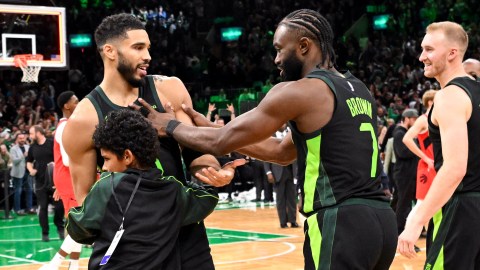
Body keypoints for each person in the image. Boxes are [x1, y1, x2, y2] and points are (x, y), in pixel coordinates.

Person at [135, 9, 397, 269]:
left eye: (280, 49)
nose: (276, 59)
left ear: (304, 46)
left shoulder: (300, 91)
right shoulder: (358, 89)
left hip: (341, 221)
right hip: (382, 221)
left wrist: (169, 125)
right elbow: (282, 152)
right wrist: (211, 126)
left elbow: (220, 143)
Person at [62, 13, 242, 269]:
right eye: (138, 47)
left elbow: (197, 151)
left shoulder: (170, 88)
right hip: (132, 248)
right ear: (110, 51)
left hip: (187, 238)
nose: (147, 55)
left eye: (148, 48)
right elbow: (86, 197)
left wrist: (210, 174)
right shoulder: (84, 120)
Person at [67, 109, 218, 269]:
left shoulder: (108, 186)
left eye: (106, 159)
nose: (104, 167)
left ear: (127, 156)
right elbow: (208, 197)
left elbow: (78, 229)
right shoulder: (172, 191)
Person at [398, 22, 480, 269]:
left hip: (461, 210)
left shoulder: (448, 96)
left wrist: (415, 222)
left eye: (429, 49)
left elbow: (455, 168)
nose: (422, 56)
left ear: (452, 53)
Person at [39, 91, 81, 270]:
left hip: (69, 178)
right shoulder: (64, 127)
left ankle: (74, 264)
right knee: (81, 222)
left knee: (78, 222)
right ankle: (54, 264)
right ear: (67, 106)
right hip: (70, 176)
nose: (79, 103)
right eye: (76, 101)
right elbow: (66, 160)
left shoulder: (70, 125)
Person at [26, 125, 64, 242]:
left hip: (54, 182)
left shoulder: (52, 144)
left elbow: (60, 159)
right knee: (42, 208)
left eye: (31, 133)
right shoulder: (32, 147)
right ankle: (45, 232)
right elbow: (28, 161)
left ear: (38, 133)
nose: (30, 136)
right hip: (40, 182)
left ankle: (60, 228)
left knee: (59, 207)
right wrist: (31, 170)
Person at [402, 90, 436, 206]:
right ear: (431, 102)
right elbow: (406, 138)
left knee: (436, 206)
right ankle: (412, 225)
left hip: (438, 166)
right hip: (428, 166)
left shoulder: (438, 120)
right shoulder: (423, 119)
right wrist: (425, 158)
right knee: (422, 205)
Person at [264, 125, 298, 228]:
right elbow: (266, 155)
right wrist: (268, 172)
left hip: (291, 172)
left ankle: (293, 221)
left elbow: (297, 154)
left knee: (292, 198)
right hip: (277, 173)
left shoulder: (291, 135)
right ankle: (283, 222)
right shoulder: (270, 137)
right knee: (280, 199)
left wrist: (297, 173)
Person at [392, 109, 418, 235]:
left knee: (399, 202)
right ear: (406, 119)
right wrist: (418, 150)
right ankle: (400, 231)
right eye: (413, 119)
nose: (415, 122)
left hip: (407, 173)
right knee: (403, 204)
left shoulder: (404, 133)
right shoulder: (399, 133)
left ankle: (394, 230)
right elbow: (402, 153)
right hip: (404, 174)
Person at [9, 133, 34, 215]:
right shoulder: (13, 149)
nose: (22, 140)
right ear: (17, 139)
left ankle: (29, 208)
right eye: (20, 138)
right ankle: (17, 209)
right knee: (18, 191)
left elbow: (31, 159)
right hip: (18, 173)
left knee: (29, 190)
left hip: (28, 172)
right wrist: (23, 155)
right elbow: (14, 161)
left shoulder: (28, 147)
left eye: (23, 138)